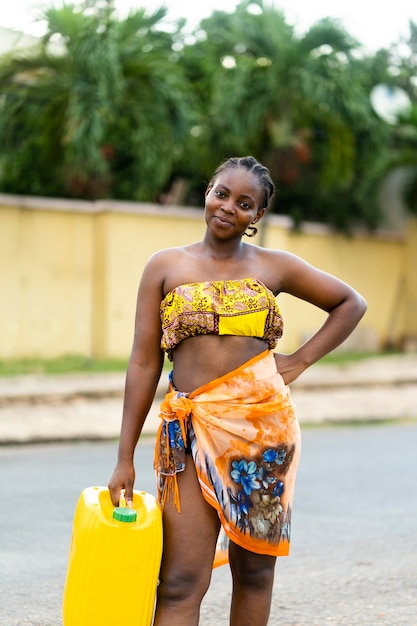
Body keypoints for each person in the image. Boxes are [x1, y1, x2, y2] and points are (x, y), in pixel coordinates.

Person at [108, 155, 367, 626]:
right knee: (181, 579)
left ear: (257, 217)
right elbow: (144, 361)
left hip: (262, 435)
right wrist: (124, 457)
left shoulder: (275, 266)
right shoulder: (165, 266)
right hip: (187, 433)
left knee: (253, 573)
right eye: (222, 193)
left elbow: (351, 303)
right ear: (208, 192)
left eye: (244, 203)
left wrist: (300, 360)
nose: (229, 207)